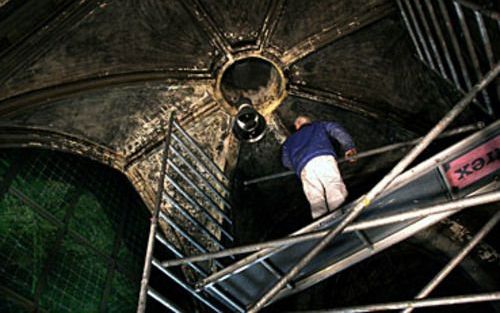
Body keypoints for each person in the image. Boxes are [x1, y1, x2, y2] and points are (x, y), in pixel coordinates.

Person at [281, 115, 357, 219]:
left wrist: (298, 168)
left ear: (297, 125)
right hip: (323, 158)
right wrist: (349, 147)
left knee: (315, 198)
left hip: (304, 168)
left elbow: (286, 162)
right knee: (333, 186)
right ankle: (341, 218)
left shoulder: (288, 141)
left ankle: (322, 224)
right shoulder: (319, 126)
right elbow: (336, 130)